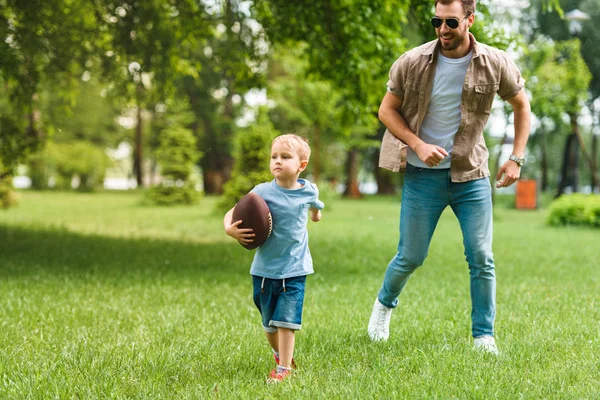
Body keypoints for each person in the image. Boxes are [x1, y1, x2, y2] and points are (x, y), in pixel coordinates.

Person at [368, 0, 531, 354]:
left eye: (451, 22)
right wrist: (417, 144)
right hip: (422, 175)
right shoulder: (412, 62)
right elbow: (386, 110)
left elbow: (521, 105)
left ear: (470, 20)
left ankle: (483, 336)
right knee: (410, 256)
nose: (443, 29)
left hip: (470, 174)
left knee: (481, 255)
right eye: (436, 21)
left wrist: (516, 158)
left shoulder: (495, 62)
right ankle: (383, 306)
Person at [224, 134, 324, 383]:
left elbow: (315, 204)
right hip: (264, 270)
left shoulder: (308, 190)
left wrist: (315, 216)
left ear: (301, 165)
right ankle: (279, 355)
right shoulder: (261, 192)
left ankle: (284, 370)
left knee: (286, 322)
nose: (277, 161)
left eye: (285, 157)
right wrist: (230, 229)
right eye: (274, 157)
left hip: (295, 267)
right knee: (269, 324)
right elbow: (233, 210)